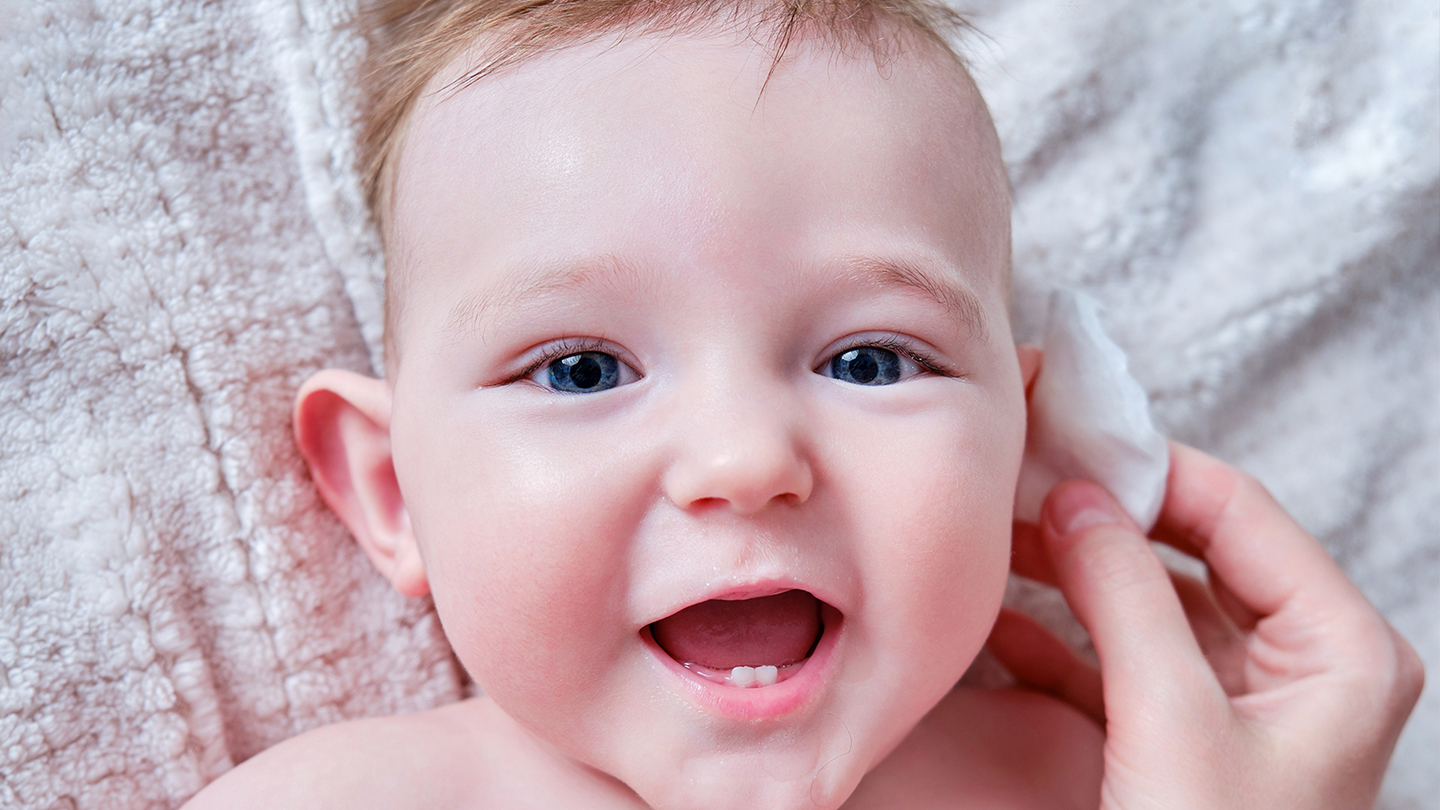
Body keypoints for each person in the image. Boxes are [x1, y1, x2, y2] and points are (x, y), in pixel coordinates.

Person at [184, 1, 1423, 807]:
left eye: (871, 362)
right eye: (581, 370)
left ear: (1021, 452)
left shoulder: (1117, 782)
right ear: (394, 491)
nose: (746, 458)